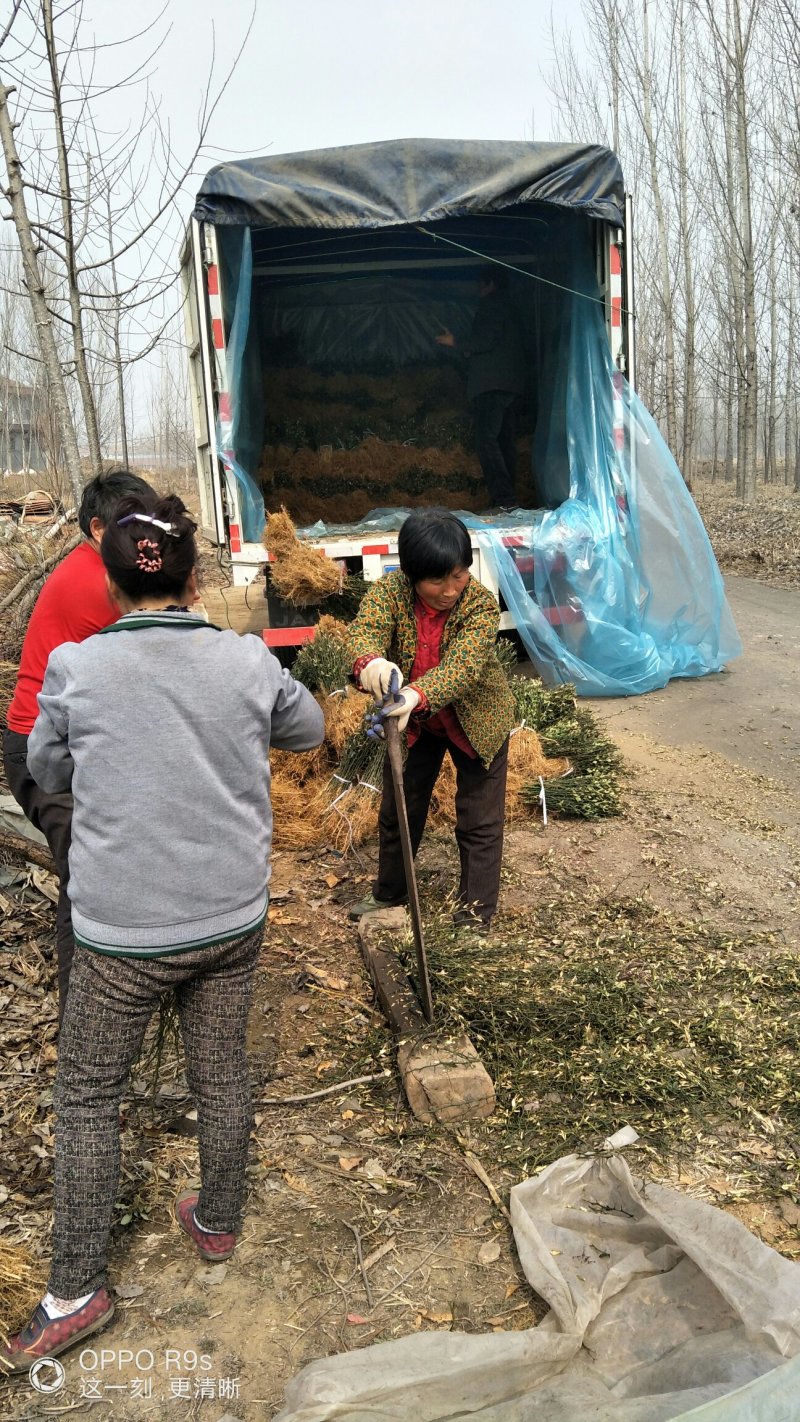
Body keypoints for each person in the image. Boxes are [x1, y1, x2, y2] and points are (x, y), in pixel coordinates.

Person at [0, 492, 323, 1371]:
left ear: (109, 579)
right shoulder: (245, 661)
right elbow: (309, 727)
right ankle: (216, 1223)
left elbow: (44, 765)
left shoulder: (75, 667)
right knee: (220, 1073)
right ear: (196, 580)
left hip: (121, 936)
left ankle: (74, 1291)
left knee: (89, 1097)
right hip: (229, 917)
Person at [2, 468, 156, 1023]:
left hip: (74, 739)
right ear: (96, 528)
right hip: (45, 752)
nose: (145, 542)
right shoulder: (96, 584)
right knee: (85, 880)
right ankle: (83, 1026)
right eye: (130, 528)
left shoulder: (110, 572)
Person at [347, 509, 515, 932]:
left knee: (479, 820)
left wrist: (414, 694)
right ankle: (391, 892)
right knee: (399, 809)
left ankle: (475, 915)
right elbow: (364, 632)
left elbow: (463, 666)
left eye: (458, 575)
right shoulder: (391, 592)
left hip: (476, 722)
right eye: (437, 580)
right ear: (411, 574)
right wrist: (372, 665)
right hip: (415, 726)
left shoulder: (479, 604)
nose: (449, 590)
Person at [436, 266, 527, 509]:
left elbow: (485, 340)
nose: (477, 288)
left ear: (490, 283)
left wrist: (456, 342)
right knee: (504, 441)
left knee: (486, 441)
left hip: (492, 386)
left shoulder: (492, 305)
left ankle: (505, 500)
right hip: (510, 385)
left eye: (480, 283)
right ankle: (509, 499)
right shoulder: (510, 307)